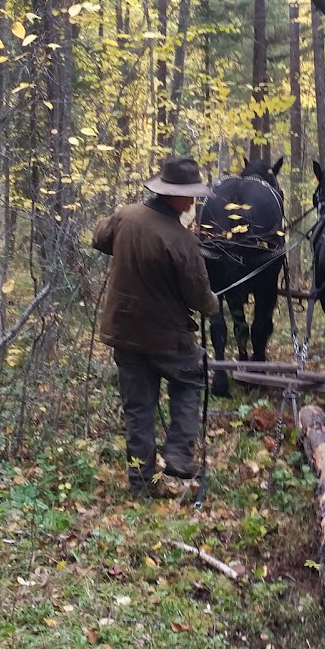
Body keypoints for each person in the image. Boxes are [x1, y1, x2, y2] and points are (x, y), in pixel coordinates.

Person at [92, 156, 220, 499]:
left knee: (138, 408)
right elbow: (198, 297)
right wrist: (213, 304)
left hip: (123, 333)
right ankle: (178, 453)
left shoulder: (125, 216)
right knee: (191, 379)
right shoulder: (182, 242)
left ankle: (141, 484)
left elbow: (99, 239)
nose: (193, 202)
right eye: (190, 195)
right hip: (166, 338)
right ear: (174, 196)